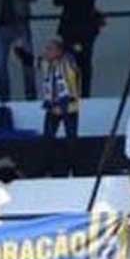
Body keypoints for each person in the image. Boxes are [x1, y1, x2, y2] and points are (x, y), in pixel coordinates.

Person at [52, 0, 102, 97]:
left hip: (85, 28)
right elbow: (57, 1)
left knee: (84, 61)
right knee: (69, 61)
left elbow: (88, 0)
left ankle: (85, 93)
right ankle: (71, 92)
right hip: (68, 28)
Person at [37, 38, 82, 177]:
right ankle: (47, 169)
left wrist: (69, 48)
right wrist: (19, 50)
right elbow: (30, 61)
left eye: (49, 49)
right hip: (52, 108)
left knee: (71, 140)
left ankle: (74, 170)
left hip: (69, 107)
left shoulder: (68, 61)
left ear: (58, 51)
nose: (46, 51)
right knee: (47, 139)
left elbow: (77, 56)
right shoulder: (46, 63)